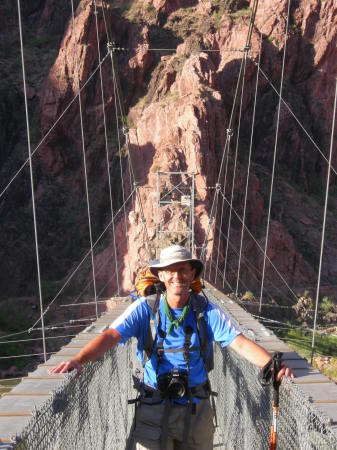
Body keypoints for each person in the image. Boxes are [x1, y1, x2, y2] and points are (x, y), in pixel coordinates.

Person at [49, 245, 294, 450]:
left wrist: (271, 365)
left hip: (196, 409)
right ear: (162, 276)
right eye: (171, 271)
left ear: (192, 275)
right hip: (154, 408)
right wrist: (79, 360)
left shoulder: (205, 310)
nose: (178, 276)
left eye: (184, 270)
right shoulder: (145, 309)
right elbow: (112, 335)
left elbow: (238, 341)